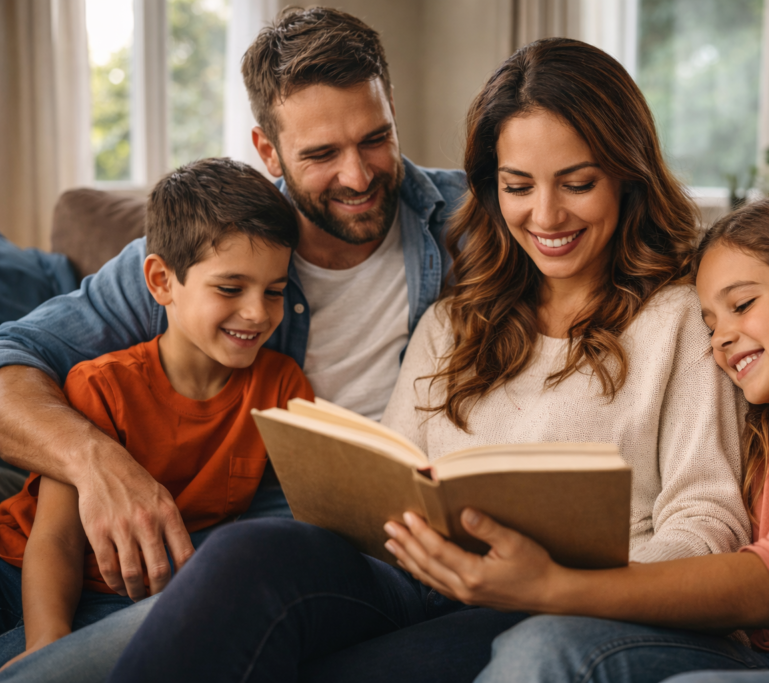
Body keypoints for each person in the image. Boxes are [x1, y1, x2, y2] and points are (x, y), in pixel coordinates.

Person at [106, 38, 749, 683]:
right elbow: (390, 476)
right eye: (518, 186)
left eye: (578, 184)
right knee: (248, 553)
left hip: (568, 603)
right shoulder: (455, 319)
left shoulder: (681, 319)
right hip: (417, 580)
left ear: (627, 176)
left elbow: (708, 520)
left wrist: (559, 584)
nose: (546, 215)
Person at [381, 187, 769, 683]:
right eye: (709, 320)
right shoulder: (760, 431)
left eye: (742, 306)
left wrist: (553, 586)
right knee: (545, 646)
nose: (719, 339)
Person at [0, 8, 468, 682]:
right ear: (269, 150)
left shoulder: (475, 220)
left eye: (375, 139)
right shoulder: (206, 248)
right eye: (321, 154)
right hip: (196, 553)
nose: (360, 176)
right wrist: (95, 460)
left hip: (340, 554)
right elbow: (14, 356)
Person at [0, 158, 314, 669]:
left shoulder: (282, 386)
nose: (258, 312)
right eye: (231, 288)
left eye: (275, 291)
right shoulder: (101, 387)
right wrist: (48, 639)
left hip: (137, 594)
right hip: (31, 577)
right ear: (161, 281)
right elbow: (53, 538)